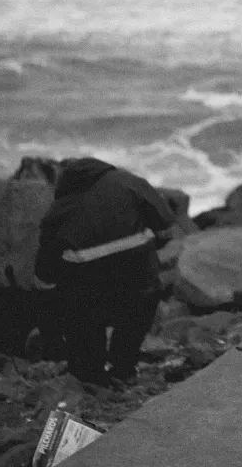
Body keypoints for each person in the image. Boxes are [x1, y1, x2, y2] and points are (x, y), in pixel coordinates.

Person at [33, 157, 176, 384]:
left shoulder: (61, 206)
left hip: (87, 283)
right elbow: (165, 220)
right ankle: (123, 368)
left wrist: (47, 301)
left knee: (83, 320)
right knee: (137, 311)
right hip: (138, 274)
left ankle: (90, 377)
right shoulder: (128, 180)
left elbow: (46, 267)